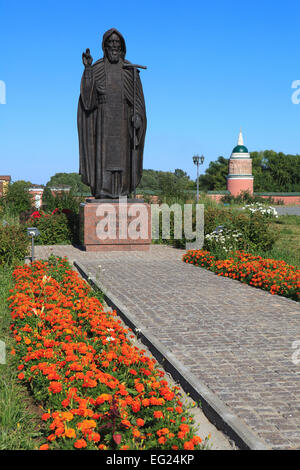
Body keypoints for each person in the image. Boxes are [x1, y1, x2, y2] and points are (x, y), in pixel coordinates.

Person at [77, 28, 147, 198]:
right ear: (105, 47)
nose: (114, 46)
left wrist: (138, 118)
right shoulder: (97, 69)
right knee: (104, 159)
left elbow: (138, 103)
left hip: (123, 125)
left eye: (117, 43)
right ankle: (104, 191)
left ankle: (123, 191)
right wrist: (87, 70)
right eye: (111, 43)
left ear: (122, 47)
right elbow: (87, 102)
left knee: (123, 159)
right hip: (103, 126)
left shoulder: (130, 70)